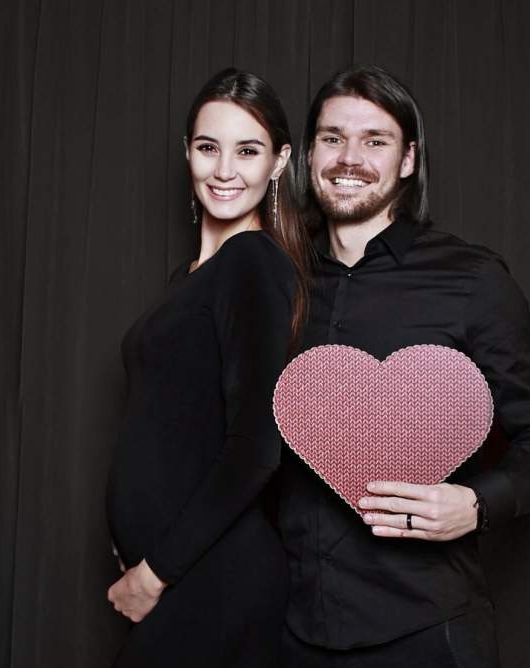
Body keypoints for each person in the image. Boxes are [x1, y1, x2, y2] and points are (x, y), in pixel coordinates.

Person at [276, 64, 530, 667]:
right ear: (309, 154)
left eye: (375, 140)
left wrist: (477, 503)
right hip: (293, 627)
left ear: (408, 160)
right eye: (333, 138)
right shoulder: (278, 280)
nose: (349, 158)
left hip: (426, 628)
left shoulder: (471, 279)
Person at [104, 68, 310, 668]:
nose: (223, 170)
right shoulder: (190, 278)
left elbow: (255, 450)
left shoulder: (252, 262)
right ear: (186, 152)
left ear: (279, 162)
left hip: (214, 576)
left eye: (247, 151)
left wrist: (153, 573)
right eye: (207, 147)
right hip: (183, 571)